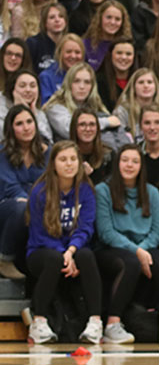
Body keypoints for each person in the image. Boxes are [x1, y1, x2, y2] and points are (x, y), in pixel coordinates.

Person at [94, 144, 159, 345]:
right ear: (117, 163)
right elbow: (106, 232)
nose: (130, 165)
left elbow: (157, 232)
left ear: (141, 166)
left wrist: (143, 249)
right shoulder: (103, 190)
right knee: (131, 263)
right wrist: (137, 251)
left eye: (135, 161)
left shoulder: (151, 192)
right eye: (125, 160)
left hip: (145, 245)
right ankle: (113, 323)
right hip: (113, 248)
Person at [24, 140, 103, 344]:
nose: (69, 164)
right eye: (63, 159)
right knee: (53, 260)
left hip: (72, 250)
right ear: (53, 164)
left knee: (86, 255)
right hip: (41, 252)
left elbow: (86, 228)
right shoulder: (40, 191)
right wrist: (64, 254)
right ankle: (39, 322)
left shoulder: (85, 190)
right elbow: (40, 234)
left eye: (73, 159)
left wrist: (70, 251)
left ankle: (95, 322)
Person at [0, 105, 48, 280]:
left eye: (29, 121)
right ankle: (5, 258)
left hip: (39, 208)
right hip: (8, 209)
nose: (26, 127)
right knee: (21, 206)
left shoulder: (47, 152)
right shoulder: (2, 153)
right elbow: (11, 189)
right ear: (11, 129)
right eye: (19, 124)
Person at [42, 62, 123, 145]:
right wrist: (106, 122)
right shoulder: (55, 106)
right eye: (76, 81)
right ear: (68, 83)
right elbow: (69, 130)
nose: (82, 87)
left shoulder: (94, 105)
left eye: (87, 82)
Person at [114, 69, 159, 142]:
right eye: (141, 82)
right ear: (133, 87)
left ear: (155, 87)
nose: (146, 86)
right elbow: (118, 140)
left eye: (149, 82)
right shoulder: (122, 112)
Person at [0, 70, 52, 143]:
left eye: (33, 86)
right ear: (13, 89)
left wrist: (33, 115)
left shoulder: (39, 114)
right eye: (22, 86)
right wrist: (18, 111)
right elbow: (5, 139)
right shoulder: (1, 110)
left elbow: (48, 142)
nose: (28, 90)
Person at [82, 0, 131, 71]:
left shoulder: (127, 47)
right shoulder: (85, 44)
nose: (112, 22)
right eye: (108, 17)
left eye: (117, 19)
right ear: (100, 18)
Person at [69, 108, 113, 185]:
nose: (88, 129)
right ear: (74, 128)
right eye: (82, 124)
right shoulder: (66, 155)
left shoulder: (109, 155)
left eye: (92, 124)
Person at [38, 33, 85, 104]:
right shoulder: (46, 77)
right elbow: (47, 106)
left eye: (77, 52)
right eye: (68, 52)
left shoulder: (87, 77)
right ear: (60, 53)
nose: (73, 56)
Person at [95, 37, 137, 112]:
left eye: (128, 54)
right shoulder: (99, 82)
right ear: (111, 55)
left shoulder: (140, 81)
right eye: (119, 53)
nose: (124, 57)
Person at [27, 2, 68, 72]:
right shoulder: (33, 43)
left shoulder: (70, 43)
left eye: (61, 16)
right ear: (45, 23)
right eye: (52, 17)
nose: (57, 20)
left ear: (66, 21)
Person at [138, 104, 159, 187]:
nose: (152, 127)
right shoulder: (135, 152)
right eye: (147, 123)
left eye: (157, 122)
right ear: (140, 126)